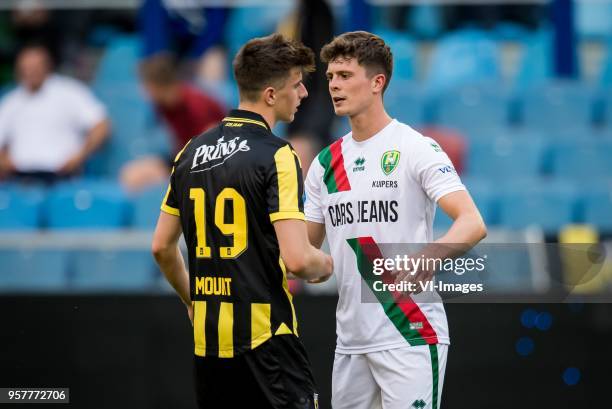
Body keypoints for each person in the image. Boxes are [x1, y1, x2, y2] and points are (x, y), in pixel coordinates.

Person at [304, 31, 487, 409]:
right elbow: (305, 253)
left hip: (410, 331)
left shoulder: (415, 147)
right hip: (351, 341)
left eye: (345, 75)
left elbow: (472, 222)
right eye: (331, 77)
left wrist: (428, 257)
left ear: (377, 82)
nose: (334, 85)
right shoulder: (324, 165)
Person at [151, 34, 333, 409]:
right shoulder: (278, 155)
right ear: (270, 94)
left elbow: (161, 247)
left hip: (210, 344)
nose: (302, 93)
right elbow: (298, 260)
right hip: (267, 342)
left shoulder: (190, 152)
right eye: (297, 84)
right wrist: (327, 263)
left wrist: (192, 299)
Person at [0, 44, 109, 183]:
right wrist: (4, 161)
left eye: (36, 67)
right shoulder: (11, 101)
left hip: (62, 176)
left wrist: (81, 155)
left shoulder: (70, 91)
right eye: (26, 68)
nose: (31, 72)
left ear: (47, 66)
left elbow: (101, 125)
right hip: (20, 178)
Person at [120, 54, 225, 191]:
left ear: (157, 85)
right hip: (184, 160)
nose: (143, 92)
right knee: (131, 175)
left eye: (146, 86)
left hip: (211, 165)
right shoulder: (162, 105)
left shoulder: (197, 105)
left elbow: (213, 151)